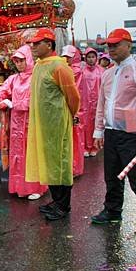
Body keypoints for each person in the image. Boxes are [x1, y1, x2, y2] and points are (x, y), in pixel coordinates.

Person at [90, 28, 136, 243]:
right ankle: (112, 211)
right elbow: (101, 104)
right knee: (111, 176)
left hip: (133, 135)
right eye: (109, 46)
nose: (111, 49)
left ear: (128, 45)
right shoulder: (108, 74)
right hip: (112, 133)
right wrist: (99, 130)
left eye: (115, 45)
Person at [25, 28, 80, 221]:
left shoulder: (60, 67)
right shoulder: (40, 65)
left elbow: (73, 97)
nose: (33, 46)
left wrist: (68, 117)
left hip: (57, 124)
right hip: (43, 125)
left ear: (49, 44)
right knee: (49, 163)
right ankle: (56, 200)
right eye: (32, 43)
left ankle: (63, 205)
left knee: (60, 163)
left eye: (37, 43)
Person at [0, 45, 47, 199]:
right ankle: (19, 186)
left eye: (21, 60)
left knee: (31, 154)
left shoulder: (37, 77)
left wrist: (14, 103)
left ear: (28, 59)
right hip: (16, 125)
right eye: (16, 61)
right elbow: (3, 90)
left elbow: (39, 100)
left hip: (32, 123)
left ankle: (35, 187)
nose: (19, 64)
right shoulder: (14, 79)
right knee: (17, 155)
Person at [61, 45, 85, 177]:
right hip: (68, 108)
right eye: (64, 56)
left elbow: (74, 93)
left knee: (75, 139)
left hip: (75, 109)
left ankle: (74, 168)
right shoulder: (67, 70)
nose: (66, 59)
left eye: (69, 57)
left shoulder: (75, 71)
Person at [81, 48, 103, 156]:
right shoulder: (82, 71)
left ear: (96, 58)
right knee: (85, 124)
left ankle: (95, 147)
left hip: (97, 102)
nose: (91, 59)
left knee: (96, 123)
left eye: (93, 57)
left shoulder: (101, 71)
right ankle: (85, 147)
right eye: (88, 57)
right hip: (85, 102)